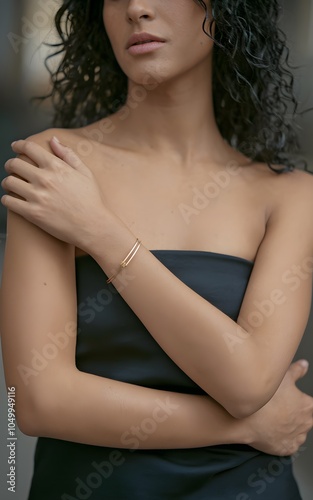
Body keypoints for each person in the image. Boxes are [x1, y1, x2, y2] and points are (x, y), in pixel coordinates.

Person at [1, 0, 313, 498]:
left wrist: (101, 233)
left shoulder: (291, 196)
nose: (136, 9)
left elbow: (248, 381)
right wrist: (243, 428)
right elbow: (39, 400)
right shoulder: (55, 166)